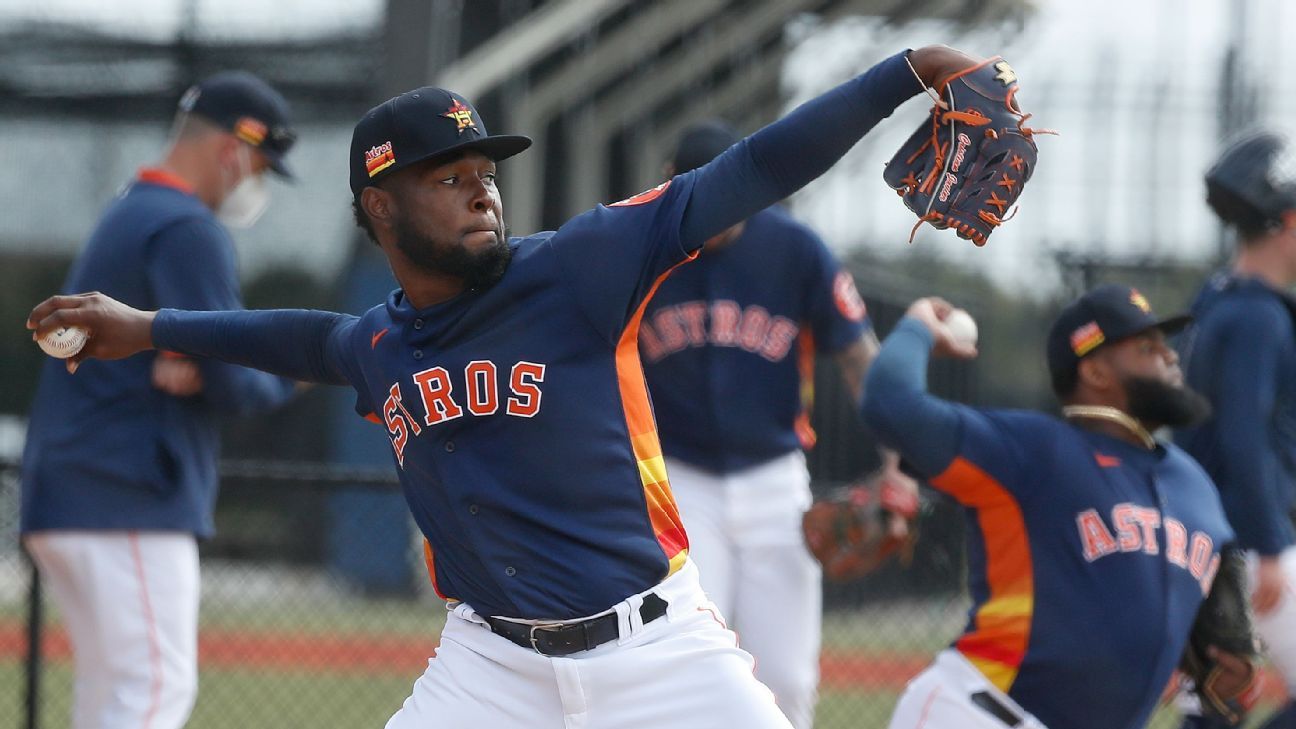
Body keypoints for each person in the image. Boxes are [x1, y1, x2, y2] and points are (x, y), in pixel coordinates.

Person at [28, 45, 984, 728]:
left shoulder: (581, 265)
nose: (481, 187)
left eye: (485, 168)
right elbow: (297, 339)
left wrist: (903, 73)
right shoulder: (381, 343)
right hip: (488, 666)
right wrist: (147, 324)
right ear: (379, 203)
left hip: (656, 649)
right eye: (448, 175)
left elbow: (754, 168)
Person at [20, 71, 299, 729]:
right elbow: (233, 377)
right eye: (259, 164)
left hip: (74, 482)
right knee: (153, 690)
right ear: (232, 151)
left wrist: (194, 358)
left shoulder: (131, 208)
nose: (254, 182)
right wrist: (291, 372)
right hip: (129, 491)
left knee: (109, 695)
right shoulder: (184, 225)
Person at [862, 285, 1246, 729]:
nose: (1170, 356)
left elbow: (1225, 657)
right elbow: (891, 405)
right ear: (1097, 372)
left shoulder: (1194, 485)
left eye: (1165, 345)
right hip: (978, 714)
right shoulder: (1034, 451)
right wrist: (916, 328)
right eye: (1147, 347)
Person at [637, 121, 917, 729]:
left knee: (786, 680)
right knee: (688, 667)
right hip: (677, 481)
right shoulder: (639, 248)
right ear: (672, 188)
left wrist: (898, 459)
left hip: (774, 480)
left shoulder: (794, 249)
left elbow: (859, 359)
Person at [1175, 131, 1296, 729]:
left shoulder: (1217, 298)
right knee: (1214, 705)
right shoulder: (1256, 316)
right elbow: (1244, 436)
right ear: (1289, 222)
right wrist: (1272, 548)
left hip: (1206, 536)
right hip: (1249, 545)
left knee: (1213, 707)